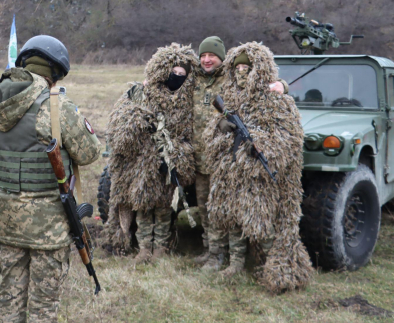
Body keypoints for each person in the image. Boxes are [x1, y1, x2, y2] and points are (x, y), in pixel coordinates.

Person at [0, 35, 100, 323]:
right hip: (48, 223)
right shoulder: (55, 105)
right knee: (43, 305)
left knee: (10, 295)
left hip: (6, 217)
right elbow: (89, 153)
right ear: (55, 72)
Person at [203, 42, 313, 291]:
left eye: (247, 67)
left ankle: (269, 264)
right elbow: (212, 131)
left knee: (260, 221)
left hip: (257, 173)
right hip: (229, 171)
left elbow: (290, 137)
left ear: (258, 70)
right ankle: (235, 263)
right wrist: (221, 127)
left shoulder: (276, 99)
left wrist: (263, 147)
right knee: (231, 218)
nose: (242, 72)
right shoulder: (229, 96)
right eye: (238, 67)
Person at [192, 36, 289, 271]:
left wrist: (282, 86)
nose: (207, 60)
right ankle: (212, 251)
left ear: (222, 58)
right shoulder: (193, 79)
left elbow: (264, 82)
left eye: (212, 56)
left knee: (228, 210)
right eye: (203, 55)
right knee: (206, 208)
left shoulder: (232, 76)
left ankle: (233, 257)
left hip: (228, 161)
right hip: (202, 157)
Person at [105, 43, 197, 263]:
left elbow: (189, 134)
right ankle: (144, 248)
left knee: (165, 208)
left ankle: (161, 248)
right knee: (145, 205)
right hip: (144, 163)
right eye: (172, 73)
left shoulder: (187, 101)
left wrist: (177, 157)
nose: (176, 77)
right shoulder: (143, 93)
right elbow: (121, 120)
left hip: (170, 163)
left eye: (181, 74)